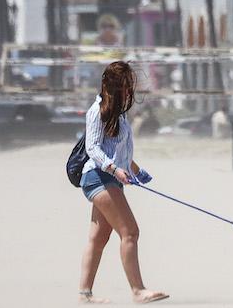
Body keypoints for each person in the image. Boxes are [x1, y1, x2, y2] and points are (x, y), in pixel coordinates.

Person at [77, 61, 167, 304]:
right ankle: (138, 290)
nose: (130, 91)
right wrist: (115, 169)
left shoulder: (118, 113)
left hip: (110, 177)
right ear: (114, 86)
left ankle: (84, 294)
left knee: (98, 239)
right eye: (126, 86)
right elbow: (93, 148)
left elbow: (119, 149)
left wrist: (136, 169)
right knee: (130, 232)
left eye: (130, 86)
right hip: (98, 177)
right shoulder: (96, 111)